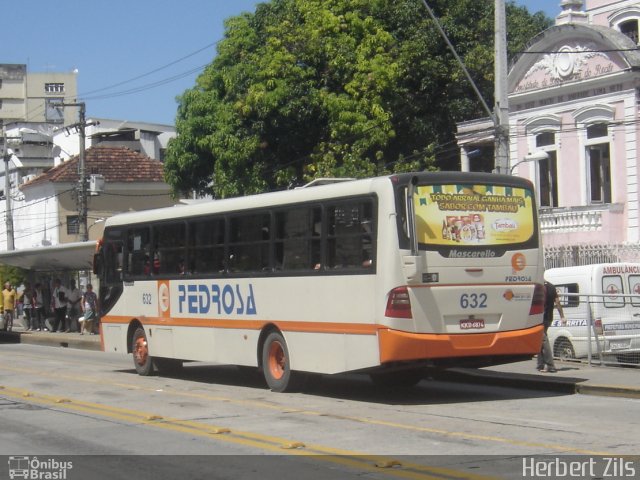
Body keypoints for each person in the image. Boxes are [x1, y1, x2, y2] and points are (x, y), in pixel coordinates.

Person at [538, 281, 565, 373]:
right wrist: (562, 316)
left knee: (543, 339)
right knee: (539, 339)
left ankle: (550, 365)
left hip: (540, 317)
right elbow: (557, 303)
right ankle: (540, 364)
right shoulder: (552, 287)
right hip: (549, 318)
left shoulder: (539, 286)